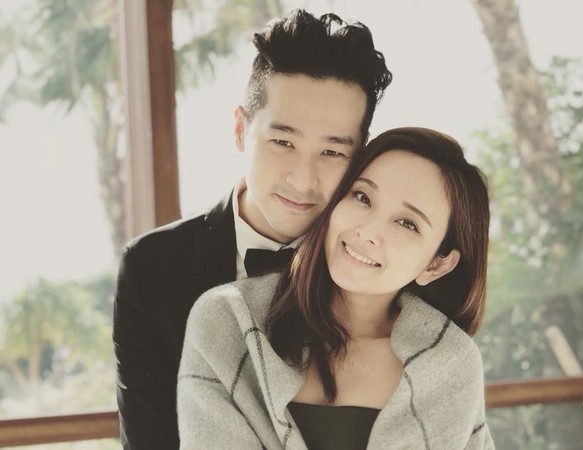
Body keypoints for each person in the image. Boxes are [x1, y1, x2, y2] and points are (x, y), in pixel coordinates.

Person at [113, 8, 392, 450]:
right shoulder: (152, 268)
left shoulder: (385, 262)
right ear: (242, 130)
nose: (303, 179)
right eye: (283, 142)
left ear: (360, 156)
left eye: (332, 152)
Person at [178, 127, 495, 450]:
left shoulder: (449, 365)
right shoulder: (228, 320)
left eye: (407, 223)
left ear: (436, 265)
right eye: (363, 197)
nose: (367, 232)